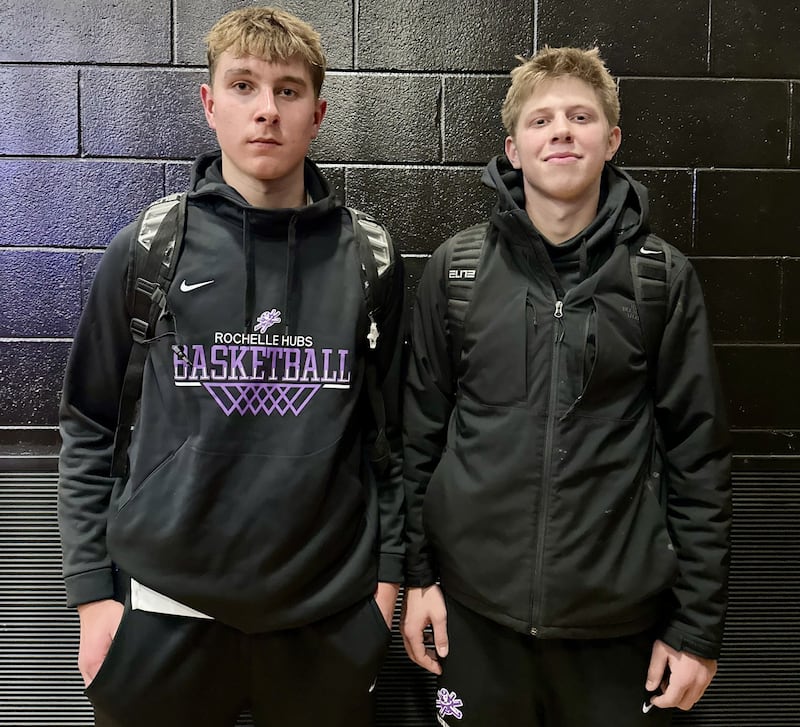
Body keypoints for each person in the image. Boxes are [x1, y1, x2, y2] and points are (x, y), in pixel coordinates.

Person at [57, 7, 405, 726]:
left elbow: (394, 439)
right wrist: (93, 597)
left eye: (287, 90)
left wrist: (387, 592)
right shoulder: (150, 246)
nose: (266, 111)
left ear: (318, 112)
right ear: (210, 105)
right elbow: (88, 422)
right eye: (243, 86)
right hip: (160, 613)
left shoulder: (369, 257)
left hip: (327, 619)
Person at [401, 46, 731, 726]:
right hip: (472, 618)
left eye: (580, 117)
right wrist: (418, 577)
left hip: (618, 633)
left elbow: (699, 461)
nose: (560, 130)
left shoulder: (659, 279)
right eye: (541, 119)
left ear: (610, 141)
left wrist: (697, 626)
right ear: (513, 149)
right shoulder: (456, 272)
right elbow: (416, 439)